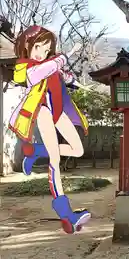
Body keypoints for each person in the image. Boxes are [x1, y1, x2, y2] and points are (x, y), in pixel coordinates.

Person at [9, 25, 91, 234]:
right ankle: (67, 215)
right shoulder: (23, 67)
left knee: (78, 149)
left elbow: (63, 76)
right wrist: (64, 56)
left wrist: (78, 83)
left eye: (46, 49)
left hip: (57, 110)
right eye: (38, 47)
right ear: (27, 46)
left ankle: (35, 151)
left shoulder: (50, 64)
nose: (42, 53)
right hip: (42, 111)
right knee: (54, 160)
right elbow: (39, 73)